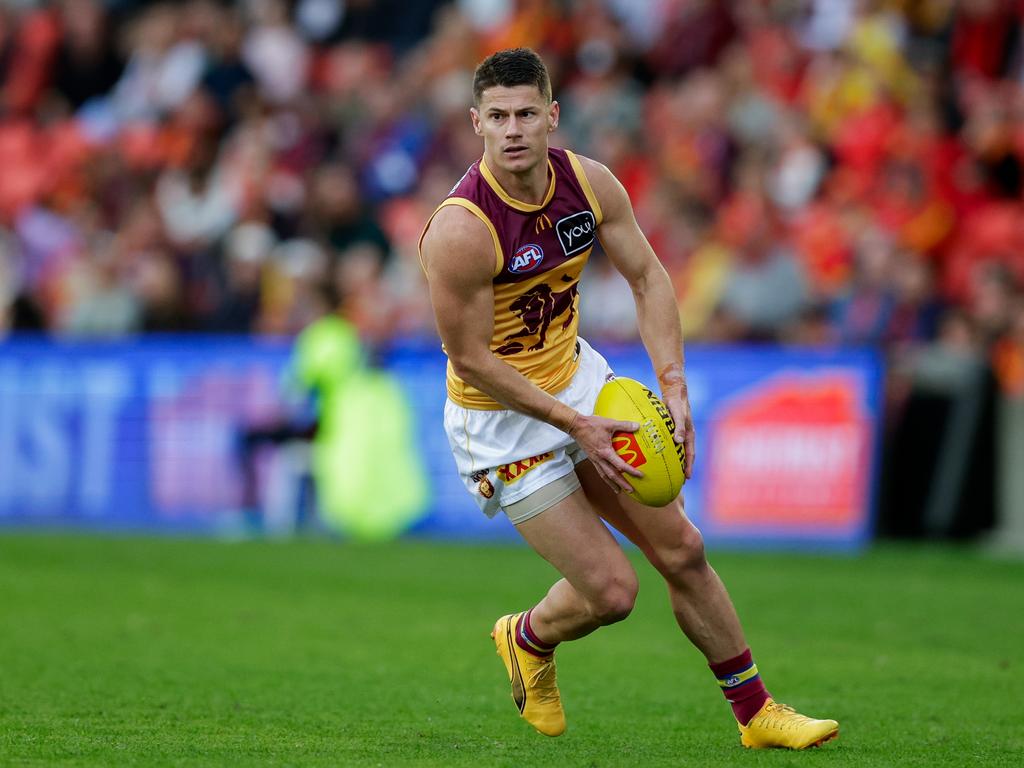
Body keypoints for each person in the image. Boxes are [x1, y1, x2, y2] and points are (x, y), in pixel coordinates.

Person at [418, 48, 839, 750]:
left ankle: (757, 712)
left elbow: (647, 277)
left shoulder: (589, 183)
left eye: (527, 113)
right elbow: (471, 358)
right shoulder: (461, 229)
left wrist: (673, 384)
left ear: (552, 116)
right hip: (503, 420)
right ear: (477, 124)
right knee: (613, 594)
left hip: (578, 377)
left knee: (684, 550)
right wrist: (571, 424)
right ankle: (525, 638)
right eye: (499, 117)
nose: (514, 129)